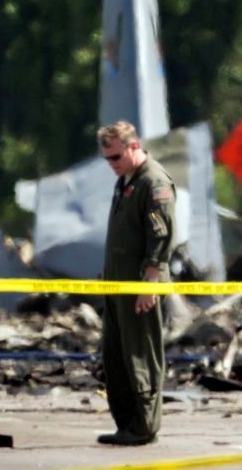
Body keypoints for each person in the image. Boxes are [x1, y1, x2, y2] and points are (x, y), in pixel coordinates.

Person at [95, 120, 176, 446]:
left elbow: (161, 236)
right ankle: (126, 423)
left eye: (115, 157)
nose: (111, 165)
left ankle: (144, 426)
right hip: (117, 285)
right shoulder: (125, 180)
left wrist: (149, 281)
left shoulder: (153, 181)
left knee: (141, 355)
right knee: (115, 356)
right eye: (107, 159)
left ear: (133, 146)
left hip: (140, 285)